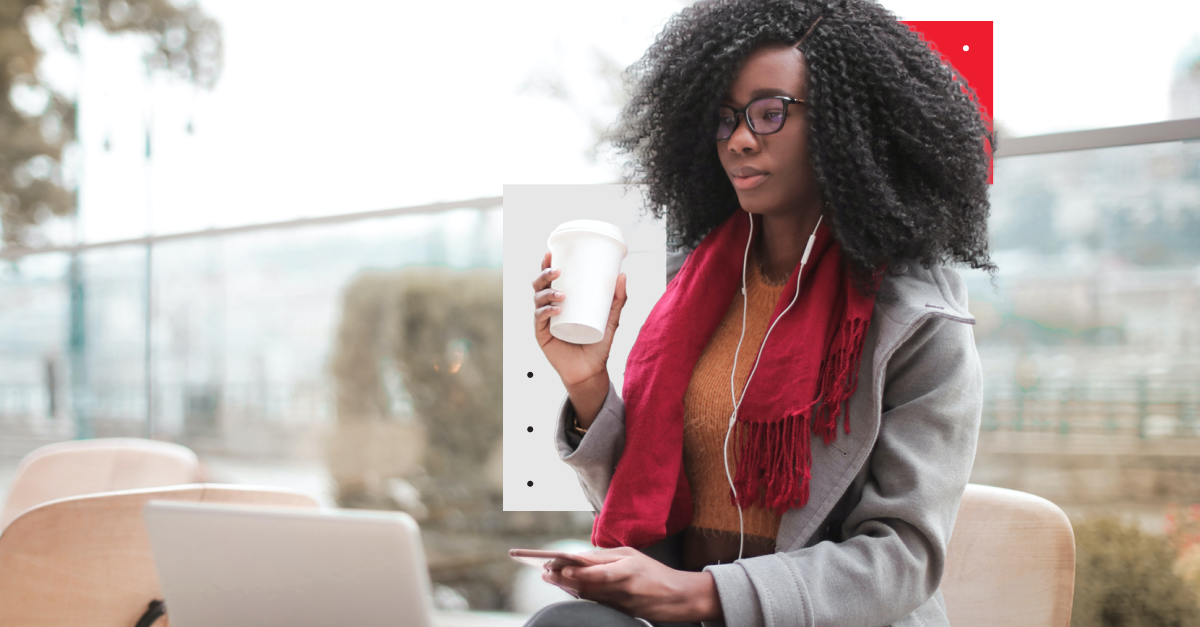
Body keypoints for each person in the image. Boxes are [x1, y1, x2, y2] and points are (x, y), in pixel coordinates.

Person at [528, 0, 994, 625]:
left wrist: (700, 594)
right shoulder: (689, 288)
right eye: (725, 120)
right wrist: (587, 383)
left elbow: (902, 560)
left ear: (844, 125)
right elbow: (643, 496)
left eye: (770, 113)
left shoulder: (918, 320)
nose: (740, 139)